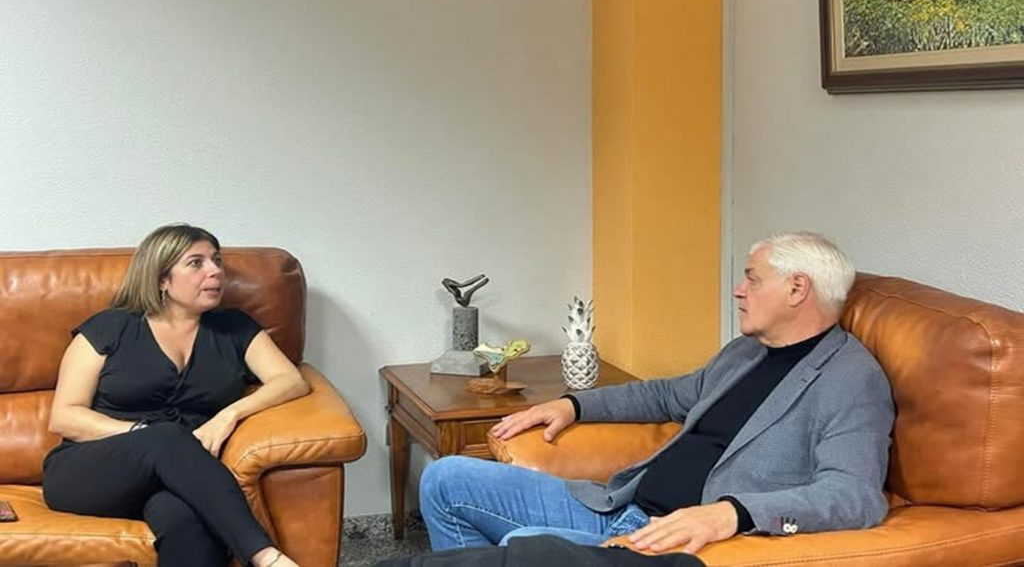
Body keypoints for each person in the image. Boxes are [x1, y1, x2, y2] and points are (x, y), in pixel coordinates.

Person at [420, 232, 895, 555]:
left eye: (752, 278)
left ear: (797, 289)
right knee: (445, 478)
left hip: (665, 542)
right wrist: (573, 404)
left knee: (523, 548)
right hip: (619, 505)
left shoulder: (851, 380)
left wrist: (733, 514)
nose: (738, 290)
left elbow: (854, 495)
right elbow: (666, 396)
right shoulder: (747, 352)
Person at [42, 224, 310, 567]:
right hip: (89, 473)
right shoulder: (110, 327)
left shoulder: (234, 329)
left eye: (216, 260)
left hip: (180, 477)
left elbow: (290, 380)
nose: (215, 271)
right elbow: (64, 417)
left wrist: (229, 415)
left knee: (187, 520)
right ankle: (268, 558)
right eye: (196, 263)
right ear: (161, 279)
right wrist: (143, 435)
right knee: (167, 437)